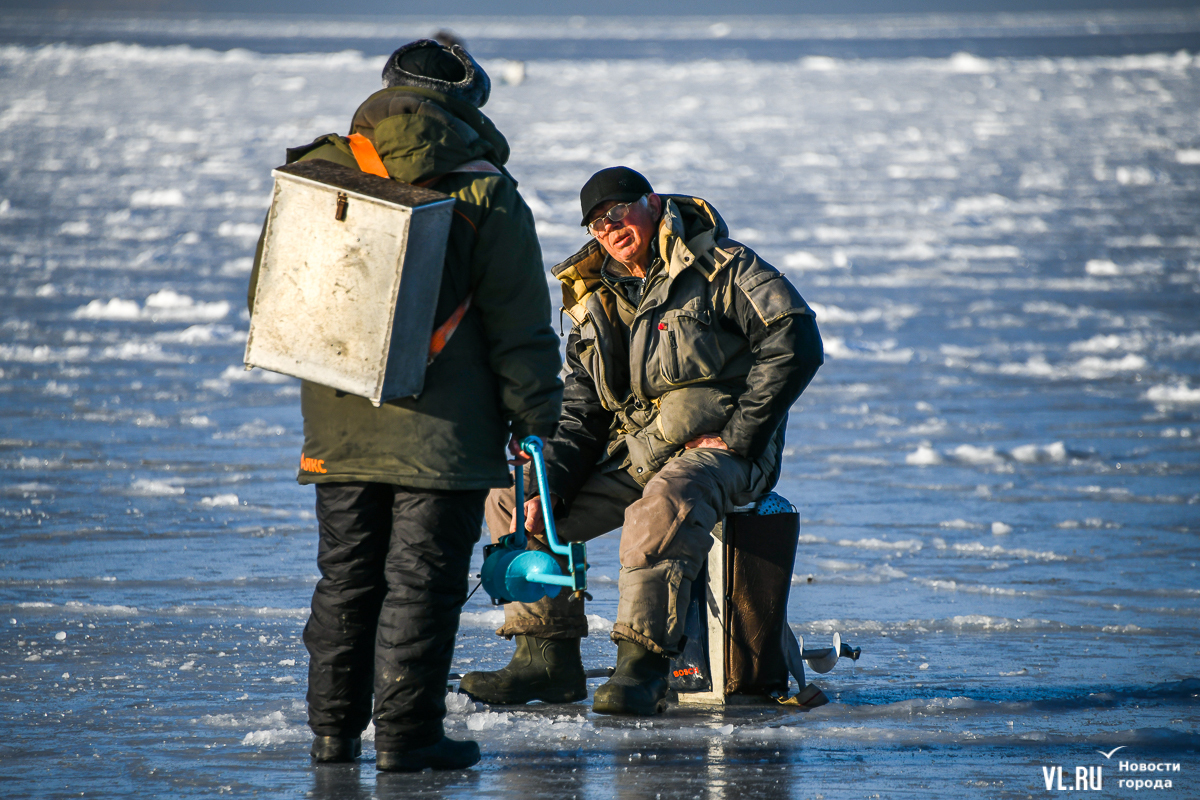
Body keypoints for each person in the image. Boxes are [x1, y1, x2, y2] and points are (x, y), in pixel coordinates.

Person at [247, 40, 562, 769]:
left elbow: (271, 295)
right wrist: (536, 421)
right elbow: (520, 329)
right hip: (446, 436)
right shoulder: (486, 189)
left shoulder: (319, 170)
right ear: (469, 99)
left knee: (347, 576)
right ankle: (407, 737)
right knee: (420, 583)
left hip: (339, 418)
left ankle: (331, 734)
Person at [460, 167, 823, 715]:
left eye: (618, 213)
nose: (610, 229)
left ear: (651, 203)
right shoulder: (594, 298)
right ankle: (545, 659)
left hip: (722, 452)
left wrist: (741, 436)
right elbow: (581, 412)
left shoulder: (723, 265)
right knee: (514, 500)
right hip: (634, 453)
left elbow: (796, 342)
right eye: (597, 224)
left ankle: (643, 666)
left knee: (663, 502)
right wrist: (549, 491)